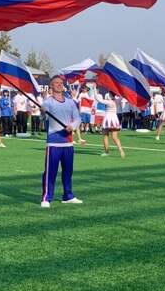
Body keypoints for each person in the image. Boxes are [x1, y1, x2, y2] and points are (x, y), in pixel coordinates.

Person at [40, 76, 83, 207]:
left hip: (68, 142)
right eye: (56, 83)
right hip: (54, 142)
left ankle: (68, 195)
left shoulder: (70, 102)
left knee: (68, 171)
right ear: (51, 86)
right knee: (50, 172)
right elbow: (43, 117)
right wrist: (43, 112)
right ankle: (47, 197)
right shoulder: (47, 102)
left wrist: (73, 126)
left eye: (60, 83)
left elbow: (78, 118)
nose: (59, 85)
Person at [93, 89, 125, 158]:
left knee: (105, 135)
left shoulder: (108, 102)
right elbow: (122, 96)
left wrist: (94, 89)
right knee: (115, 137)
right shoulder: (117, 100)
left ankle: (106, 152)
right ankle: (121, 150)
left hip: (108, 119)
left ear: (110, 95)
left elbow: (98, 99)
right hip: (114, 119)